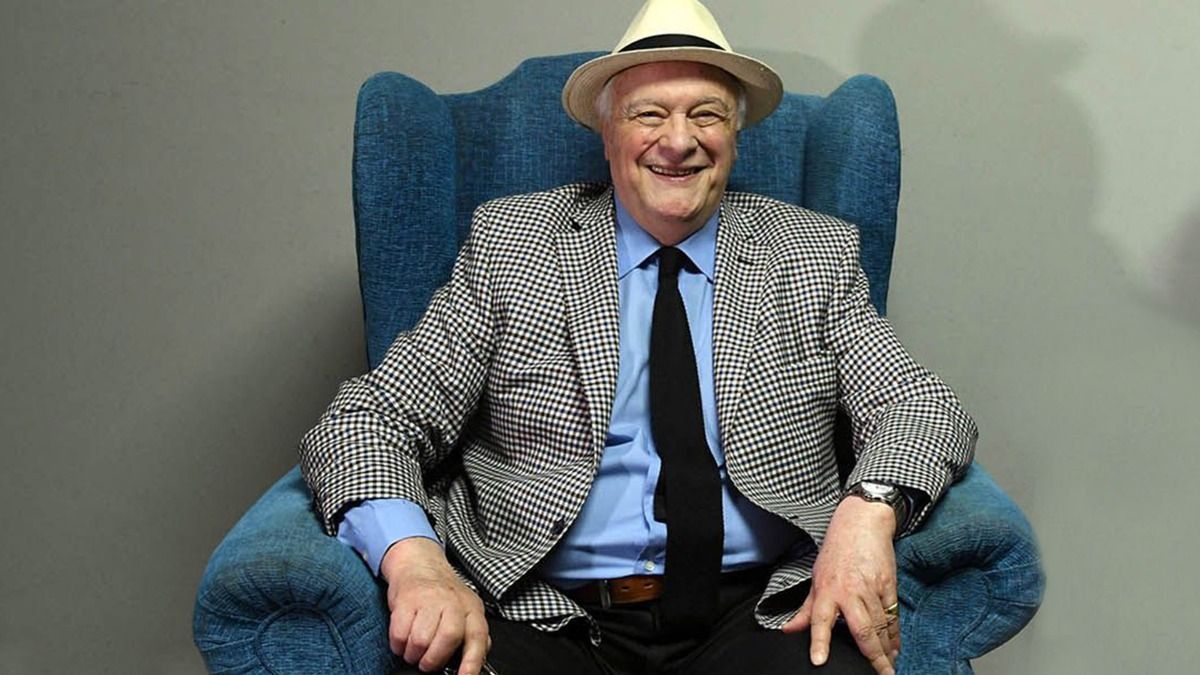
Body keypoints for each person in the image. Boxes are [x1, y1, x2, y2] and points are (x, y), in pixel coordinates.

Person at [299, 1, 977, 674]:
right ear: (608, 134)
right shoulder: (514, 246)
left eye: (706, 114)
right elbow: (369, 420)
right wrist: (416, 562)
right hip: (541, 611)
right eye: (649, 114)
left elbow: (920, 406)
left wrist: (867, 513)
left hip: (763, 608)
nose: (678, 141)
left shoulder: (810, 252)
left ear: (736, 135)